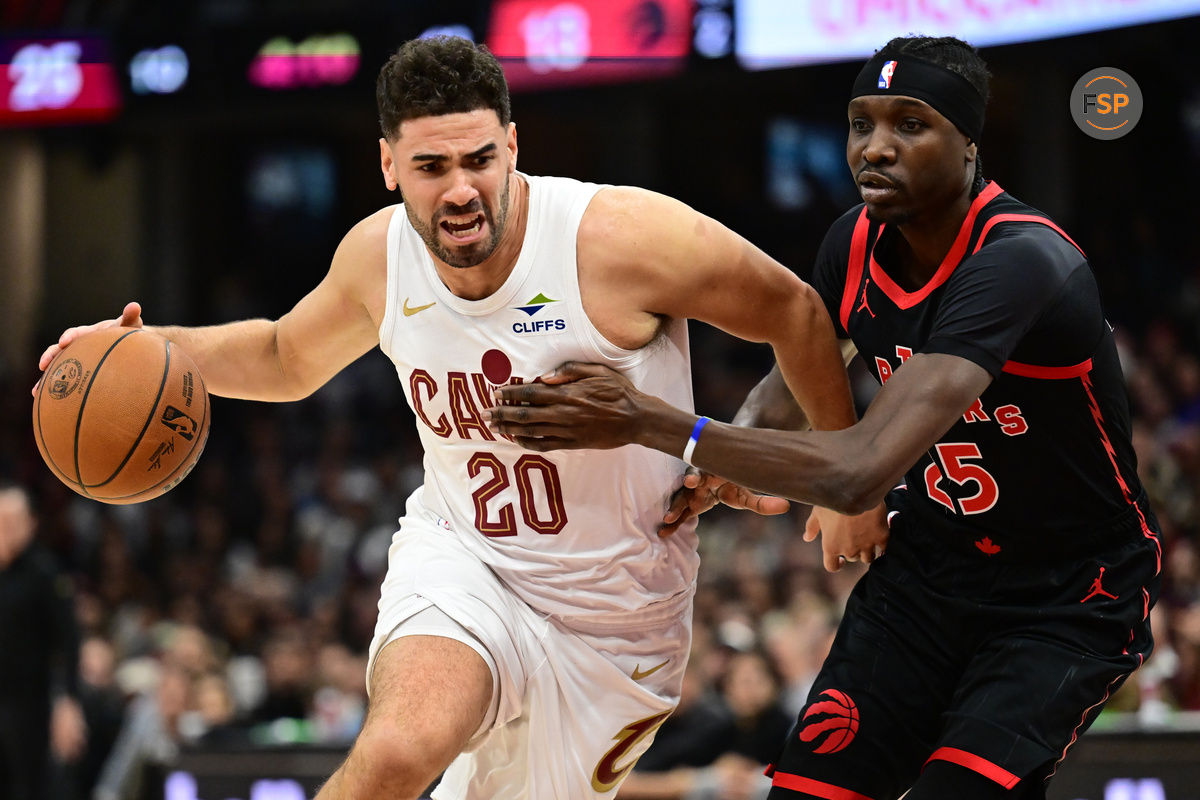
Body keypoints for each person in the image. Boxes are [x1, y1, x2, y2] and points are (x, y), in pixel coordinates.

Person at [37, 35, 880, 800]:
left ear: (514, 146)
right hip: (465, 558)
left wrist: (844, 482)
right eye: (432, 167)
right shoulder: (380, 255)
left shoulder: (617, 238)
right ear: (389, 166)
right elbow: (286, 357)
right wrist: (144, 350)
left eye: (480, 158)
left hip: (616, 615)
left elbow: (798, 311)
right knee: (398, 751)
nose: (463, 188)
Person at [486, 35, 1162, 800]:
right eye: (861, 124)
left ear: (971, 143)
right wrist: (722, 455)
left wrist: (654, 421)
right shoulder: (854, 242)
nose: (875, 147)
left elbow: (858, 468)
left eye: (910, 125)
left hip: (1067, 591)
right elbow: (796, 372)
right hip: (930, 575)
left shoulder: (1018, 261)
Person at [0, 481, 87, 800]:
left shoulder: (46, 573)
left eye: (13, 521)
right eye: (1, 520)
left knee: (29, 787)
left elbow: (71, 642)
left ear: (31, 524)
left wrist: (69, 701)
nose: (6, 528)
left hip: (31, 703)